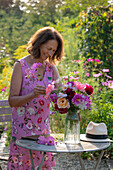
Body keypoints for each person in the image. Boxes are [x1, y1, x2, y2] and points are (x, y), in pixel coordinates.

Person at [7, 26, 64, 170]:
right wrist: (32, 94)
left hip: (43, 131)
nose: (50, 53)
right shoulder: (21, 66)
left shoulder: (52, 69)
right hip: (22, 131)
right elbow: (12, 101)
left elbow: (60, 96)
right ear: (39, 43)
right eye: (48, 48)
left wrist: (66, 99)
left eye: (53, 50)